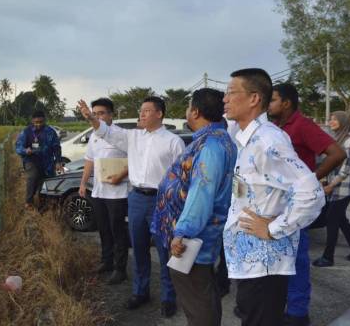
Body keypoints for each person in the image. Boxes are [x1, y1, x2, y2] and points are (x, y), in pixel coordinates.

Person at [222, 68, 325, 326]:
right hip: (250, 261)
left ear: (254, 98)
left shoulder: (268, 141)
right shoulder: (247, 137)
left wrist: (274, 228)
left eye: (231, 92)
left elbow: (311, 193)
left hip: (265, 262)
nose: (225, 99)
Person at [78, 96, 185, 318]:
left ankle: (168, 296)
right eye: (141, 110)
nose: (142, 114)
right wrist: (90, 118)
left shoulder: (173, 142)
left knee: (164, 249)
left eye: (147, 110)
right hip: (136, 198)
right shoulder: (132, 137)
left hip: (162, 200)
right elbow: (107, 131)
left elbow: (182, 178)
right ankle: (140, 291)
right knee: (138, 247)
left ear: (159, 114)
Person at [151, 88, 237, 326]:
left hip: (192, 240)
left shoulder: (211, 146)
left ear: (196, 111)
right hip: (197, 236)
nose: (187, 111)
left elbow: (202, 192)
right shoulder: (215, 139)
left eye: (188, 107)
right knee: (203, 295)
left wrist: (182, 232)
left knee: (196, 299)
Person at [268, 83, 346, 326]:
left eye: (272, 100)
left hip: (295, 206)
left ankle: (298, 314)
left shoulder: (302, 125)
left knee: (297, 260)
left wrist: (310, 179)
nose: (268, 105)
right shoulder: (275, 128)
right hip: (277, 205)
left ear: (286, 103)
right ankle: (281, 308)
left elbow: (337, 153)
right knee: (280, 260)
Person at [79, 98, 129, 285]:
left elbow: (135, 160)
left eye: (101, 113)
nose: (97, 117)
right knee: (103, 229)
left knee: (118, 231)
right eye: (95, 113)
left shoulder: (121, 134)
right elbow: (89, 160)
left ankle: (120, 269)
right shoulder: (94, 135)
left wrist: (121, 175)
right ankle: (106, 261)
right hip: (99, 191)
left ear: (111, 115)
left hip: (117, 193)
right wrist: (83, 183)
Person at [311, 111, 350, 267]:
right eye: (331, 119)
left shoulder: (349, 141)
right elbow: (327, 163)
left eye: (335, 119)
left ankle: (328, 257)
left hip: (343, 187)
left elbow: (346, 170)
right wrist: (323, 181)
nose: (331, 121)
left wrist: (331, 185)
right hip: (333, 185)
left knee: (332, 220)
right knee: (341, 220)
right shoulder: (336, 139)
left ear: (343, 121)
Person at [15, 110, 62, 209]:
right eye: (36, 122)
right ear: (32, 121)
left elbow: (57, 147)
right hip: (31, 160)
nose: (38, 124)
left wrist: (58, 161)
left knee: (45, 182)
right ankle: (29, 202)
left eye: (41, 122)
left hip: (47, 161)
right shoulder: (26, 132)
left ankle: (43, 204)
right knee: (33, 175)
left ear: (44, 120)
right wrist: (25, 150)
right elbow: (18, 147)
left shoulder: (51, 132)